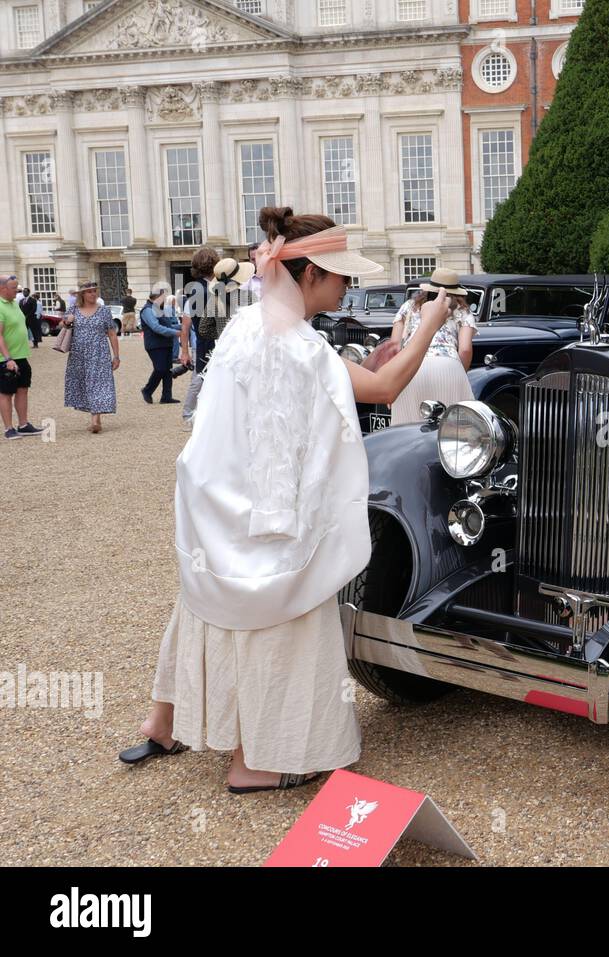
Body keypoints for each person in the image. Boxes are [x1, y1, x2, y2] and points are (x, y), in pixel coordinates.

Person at [118, 205, 449, 793]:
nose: (349, 285)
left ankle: (163, 724)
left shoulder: (250, 323)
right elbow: (386, 387)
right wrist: (433, 320)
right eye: (341, 274)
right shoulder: (299, 345)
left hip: (216, 504)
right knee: (279, 619)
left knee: (203, 602)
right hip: (266, 521)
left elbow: (320, 387)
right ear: (310, 273)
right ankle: (257, 761)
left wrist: (357, 368)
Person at [388, 267, 476, 425]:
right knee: (452, 433)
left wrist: (392, 380)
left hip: (410, 366)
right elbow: (465, 349)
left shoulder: (409, 307)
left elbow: (394, 346)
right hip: (449, 366)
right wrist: (459, 374)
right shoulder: (463, 311)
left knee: (405, 431)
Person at [181, 252, 253, 424]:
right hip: (244, 349)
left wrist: (222, 336)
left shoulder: (208, 295)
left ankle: (198, 415)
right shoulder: (249, 296)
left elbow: (200, 327)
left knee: (209, 382)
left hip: (218, 347)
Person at [62, 279, 120, 434]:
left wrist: (116, 356)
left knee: (98, 384)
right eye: (89, 291)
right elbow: (63, 326)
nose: (93, 294)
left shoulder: (104, 311)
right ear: (82, 294)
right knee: (85, 384)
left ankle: (95, 420)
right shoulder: (73, 309)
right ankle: (96, 416)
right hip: (78, 354)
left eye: (94, 291)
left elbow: (112, 334)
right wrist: (67, 322)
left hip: (99, 353)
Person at [1, 275, 46, 438]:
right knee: (6, 392)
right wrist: (8, 358)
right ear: (3, 289)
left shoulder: (14, 304)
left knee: (22, 390)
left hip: (21, 355)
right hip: (6, 359)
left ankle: (23, 424)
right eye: (14, 288)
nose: (17, 291)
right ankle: (8, 428)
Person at [140, 287, 182, 404]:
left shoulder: (160, 309)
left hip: (166, 343)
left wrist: (182, 327)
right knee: (160, 369)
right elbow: (156, 327)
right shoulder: (147, 310)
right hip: (155, 344)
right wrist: (176, 332)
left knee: (167, 371)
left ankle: (166, 396)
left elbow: (167, 326)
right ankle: (147, 390)